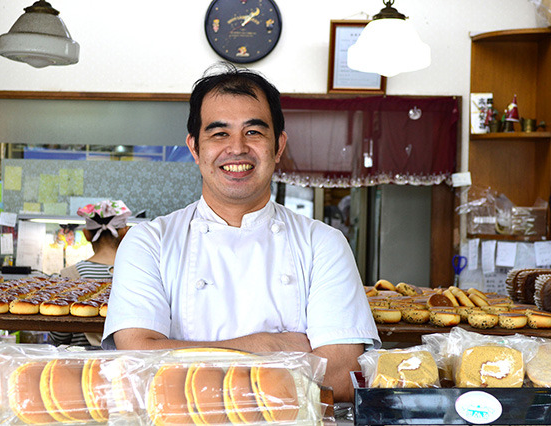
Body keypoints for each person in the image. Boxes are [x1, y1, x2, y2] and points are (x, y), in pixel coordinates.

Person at [102, 63, 380, 402]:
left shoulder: (323, 243)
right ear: (195, 148)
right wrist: (268, 346)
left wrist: (182, 357)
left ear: (278, 146)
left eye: (254, 132)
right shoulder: (149, 243)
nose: (236, 148)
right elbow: (137, 365)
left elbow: (341, 376)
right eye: (219, 133)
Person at [50, 199, 131, 347]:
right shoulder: (138, 275)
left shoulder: (68, 276)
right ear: (125, 233)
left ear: (86, 234)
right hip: (125, 363)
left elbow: (59, 336)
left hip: (80, 365)